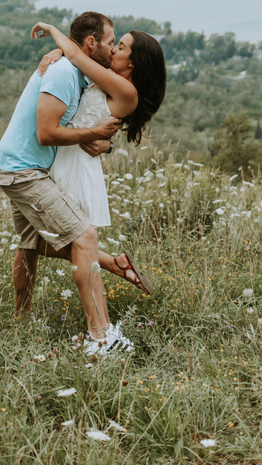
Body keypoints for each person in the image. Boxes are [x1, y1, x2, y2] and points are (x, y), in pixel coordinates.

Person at [0, 11, 134, 354]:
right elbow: (46, 133)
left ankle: (20, 323)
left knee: (28, 245)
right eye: (111, 42)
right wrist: (96, 133)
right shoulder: (63, 73)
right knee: (84, 235)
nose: (114, 49)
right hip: (24, 169)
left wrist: (105, 141)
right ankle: (101, 338)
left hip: (21, 167)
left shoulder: (76, 70)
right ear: (91, 43)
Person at [31, 21, 167, 293]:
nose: (114, 50)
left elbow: (78, 56)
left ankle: (98, 317)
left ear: (134, 62)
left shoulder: (126, 91)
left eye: (121, 46)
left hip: (76, 165)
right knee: (38, 238)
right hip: (65, 155)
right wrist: (58, 54)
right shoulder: (109, 76)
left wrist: (53, 31)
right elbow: (78, 61)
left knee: (41, 240)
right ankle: (116, 264)